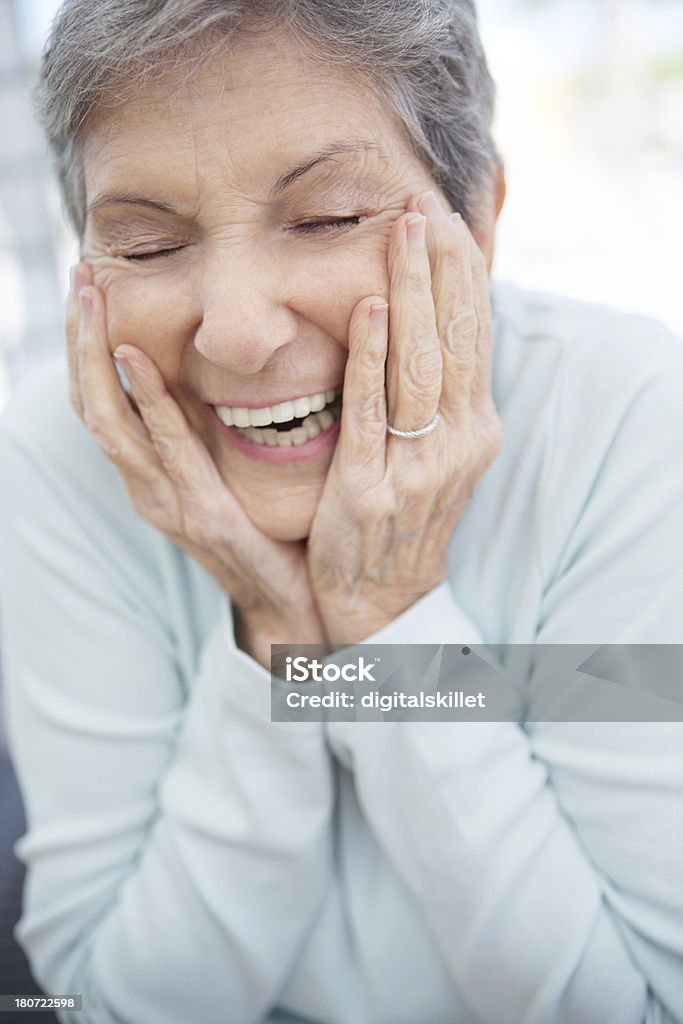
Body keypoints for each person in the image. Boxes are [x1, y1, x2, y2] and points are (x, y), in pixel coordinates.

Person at [0, 1, 681, 1022]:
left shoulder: (630, 420)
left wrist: (384, 615)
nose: (233, 332)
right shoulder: (54, 455)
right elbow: (108, 1002)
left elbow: (633, 1001)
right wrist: (275, 633)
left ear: (479, 223)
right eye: (144, 247)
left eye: (324, 219)